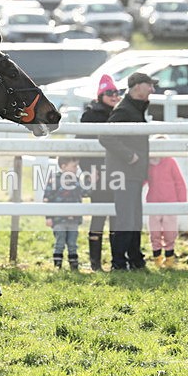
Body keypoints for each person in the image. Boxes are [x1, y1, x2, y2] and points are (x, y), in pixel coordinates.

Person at [99, 72, 155, 271]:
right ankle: (120, 262)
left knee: (133, 217)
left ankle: (134, 259)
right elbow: (105, 136)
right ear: (138, 86)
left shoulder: (132, 108)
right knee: (127, 218)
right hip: (125, 172)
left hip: (131, 172)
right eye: (149, 85)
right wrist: (130, 156)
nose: (152, 89)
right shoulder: (124, 110)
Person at [79, 74, 121, 271]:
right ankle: (95, 263)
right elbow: (81, 146)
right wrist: (88, 170)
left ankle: (116, 260)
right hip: (98, 172)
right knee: (98, 215)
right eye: (110, 93)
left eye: (116, 92)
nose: (114, 96)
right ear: (101, 95)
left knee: (116, 216)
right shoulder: (90, 115)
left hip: (117, 170)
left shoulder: (120, 113)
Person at [145, 136, 187, 267]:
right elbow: (142, 180)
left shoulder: (170, 162)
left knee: (170, 232)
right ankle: (157, 257)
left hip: (170, 202)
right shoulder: (148, 165)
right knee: (154, 232)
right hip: (153, 202)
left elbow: (179, 182)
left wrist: (182, 202)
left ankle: (169, 258)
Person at [44, 156, 84, 270]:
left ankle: (74, 266)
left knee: (73, 243)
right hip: (58, 219)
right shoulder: (54, 180)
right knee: (59, 242)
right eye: (74, 166)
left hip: (73, 219)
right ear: (63, 166)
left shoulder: (76, 180)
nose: (77, 168)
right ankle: (58, 266)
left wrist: (92, 181)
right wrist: (48, 217)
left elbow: (84, 192)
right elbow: (47, 198)